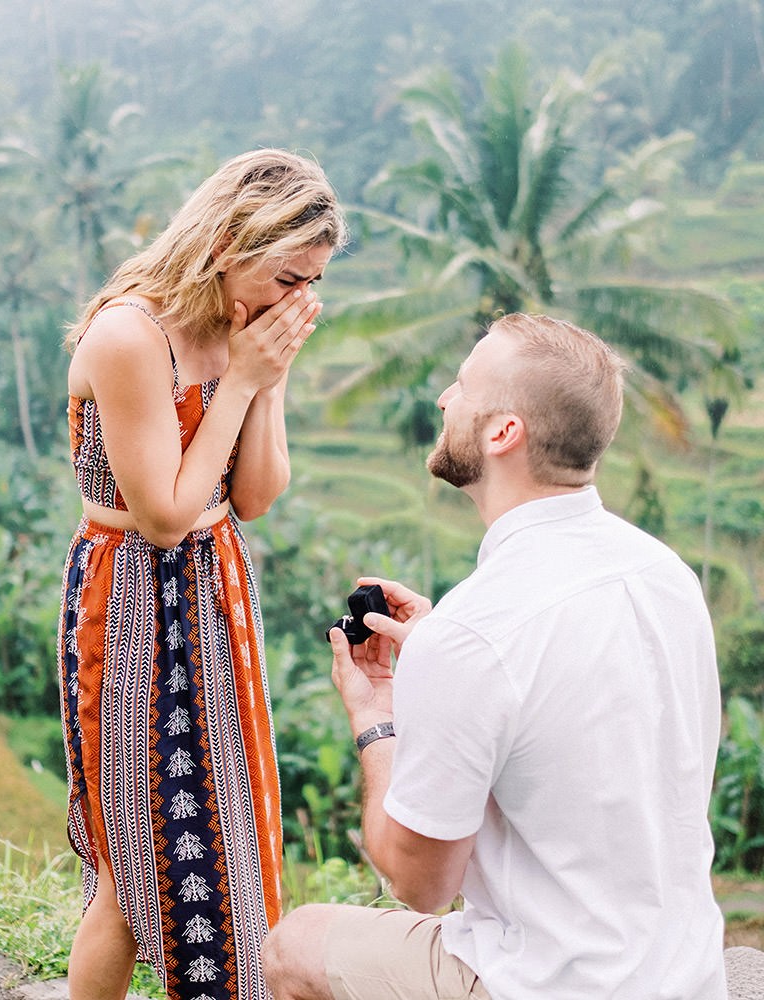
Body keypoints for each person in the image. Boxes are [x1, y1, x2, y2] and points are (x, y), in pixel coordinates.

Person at [262, 312, 727, 1000]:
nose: (445, 399)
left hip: (550, 985)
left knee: (294, 943)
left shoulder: (473, 636)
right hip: (685, 976)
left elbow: (422, 886)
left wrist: (378, 721)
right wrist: (445, 655)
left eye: (462, 385)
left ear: (503, 431)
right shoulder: (663, 574)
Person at [57, 148, 347, 1000]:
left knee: (229, 835)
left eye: (313, 282)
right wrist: (245, 379)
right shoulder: (129, 336)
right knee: (130, 860)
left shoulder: (243, 331)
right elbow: (163, 512)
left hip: (216, 593)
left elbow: (253, 494)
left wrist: (267, 378)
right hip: (130, 603)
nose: (299, 301)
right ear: (229, 241)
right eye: (290, 276)